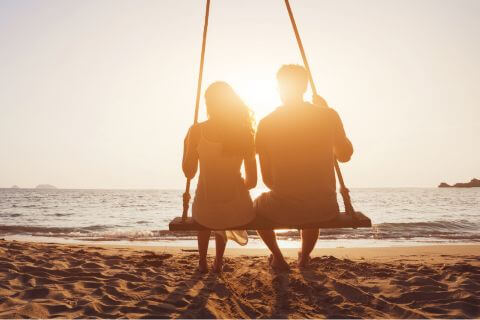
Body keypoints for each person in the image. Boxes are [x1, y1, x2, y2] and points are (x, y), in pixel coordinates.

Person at [255, 65, 353, 271]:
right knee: (312, 199)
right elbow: (345, 155)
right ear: (305, 86)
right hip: (324, 207)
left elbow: (268, 181)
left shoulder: (266, 124)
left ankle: (278, 258)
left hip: (284, 206)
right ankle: (304, 257)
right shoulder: (328, 115)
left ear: (280, 88)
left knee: (256, 209)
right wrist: (327, 111)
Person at [182, 81, 257, 273]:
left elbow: (189, 172)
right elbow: (252, 181)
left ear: (208, 104)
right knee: (222, 207)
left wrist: (187, 144)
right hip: (239, 209)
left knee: (208, 208)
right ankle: (218, 261)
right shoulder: (245, 133)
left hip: (205, 209)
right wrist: (234, 187)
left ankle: (202, 262)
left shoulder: (196, 131)